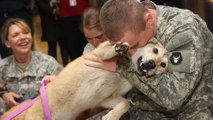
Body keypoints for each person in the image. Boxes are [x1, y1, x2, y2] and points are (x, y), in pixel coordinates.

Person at [85, 0, 213, 119]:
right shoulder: (130, 26)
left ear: (149, 20)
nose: (131, 52)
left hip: (187, 113)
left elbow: (174, 98)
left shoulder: (183, 31)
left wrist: (122, 67)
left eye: (134, 45)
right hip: (140, 108)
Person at [0, 18, 63, 115]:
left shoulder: (48, 63)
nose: (22, 37)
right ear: (7, 43)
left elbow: (67, 88)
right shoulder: (2, 67)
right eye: (15, 35)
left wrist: (55, 83)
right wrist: (4, 95)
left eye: (26, 32)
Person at [35, 0, 68, 66]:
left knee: (64, 45)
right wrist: (53, 10)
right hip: (48, 20)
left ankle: (66, 67)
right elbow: (39, 3)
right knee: (52, 46)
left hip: (63, 18)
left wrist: (62, 8)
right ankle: (53, 69)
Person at [58, 0, 89, 65]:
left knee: (85, 43)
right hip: (65, 14)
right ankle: (75, 68)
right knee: (71, 45)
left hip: (82, 11)